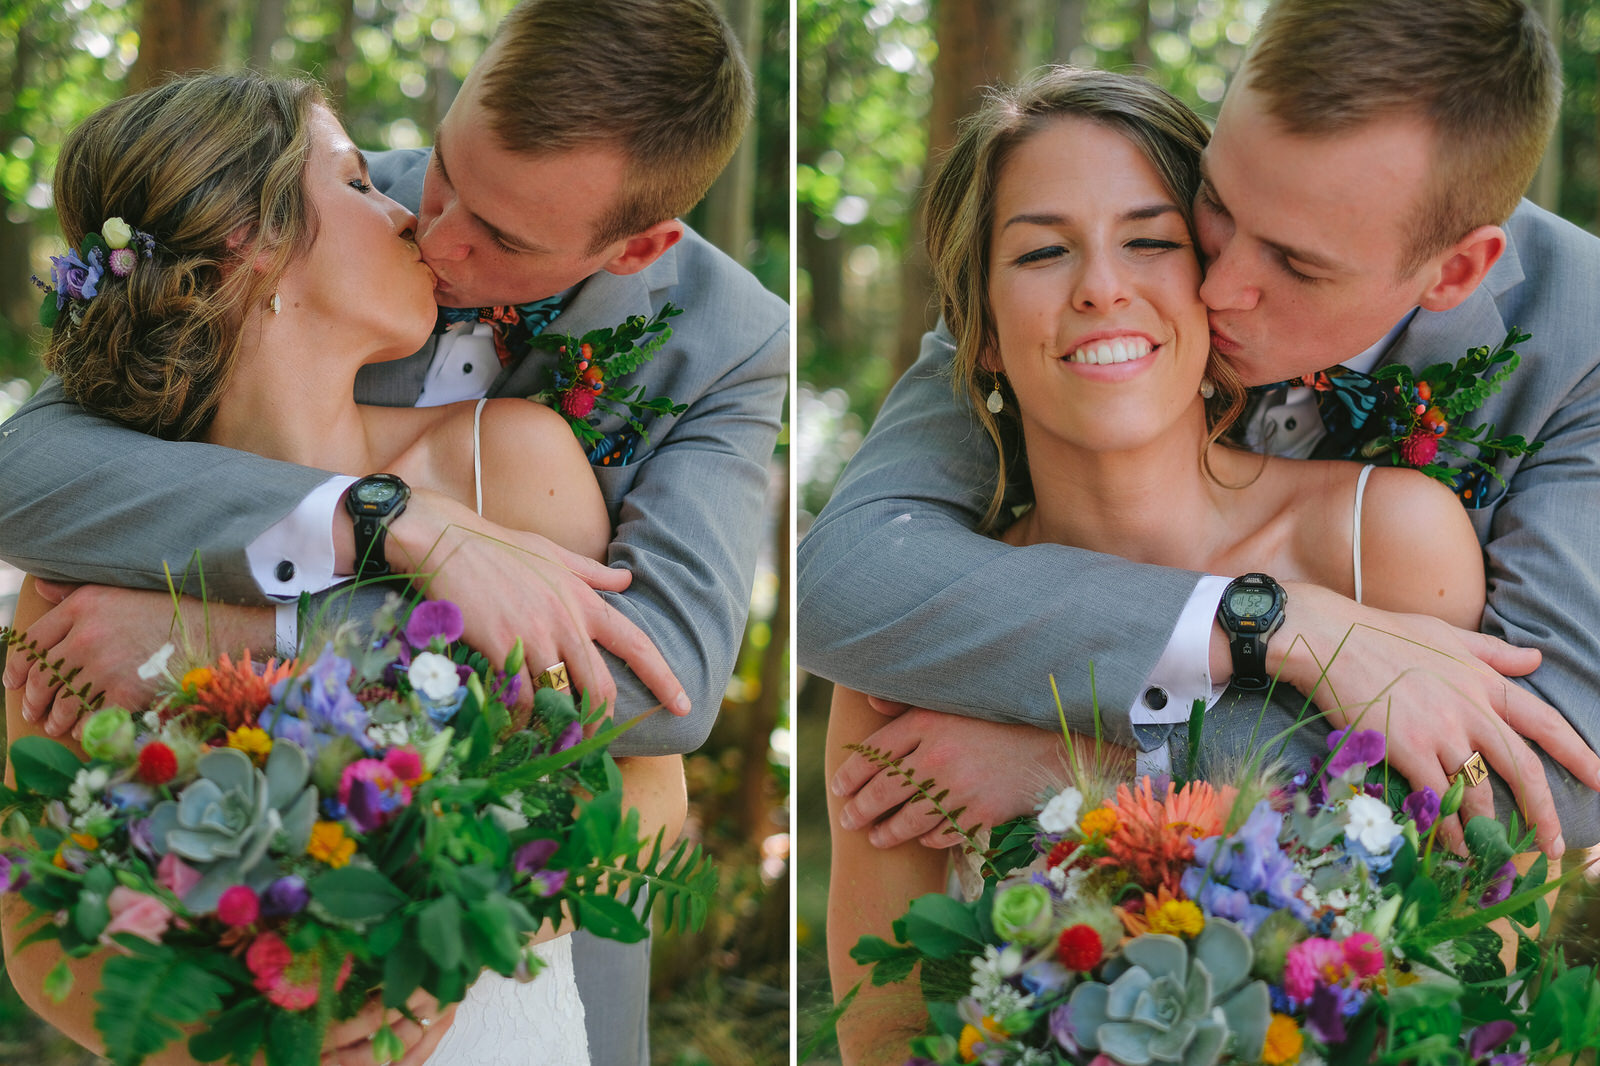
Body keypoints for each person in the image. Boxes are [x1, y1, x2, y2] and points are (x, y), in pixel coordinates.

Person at [0, 1, 789, 1062]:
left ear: (636, 244)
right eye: (436, 171)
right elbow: (44, 913)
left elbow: (653, 692)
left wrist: (241, 637)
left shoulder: (651, 382)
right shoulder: (120, 525)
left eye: (502, 236)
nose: (434, 226)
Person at [823, 64, 1536, 1064]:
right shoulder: (909, 651)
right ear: (977, 332)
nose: (1100, 286)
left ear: (1213, 284)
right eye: (1039, 251)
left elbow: (1478, 947)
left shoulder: (1381, 542)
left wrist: (1067, 781)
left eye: (1150, 240)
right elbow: (886, 1031)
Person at [801, 0, 1600, 869]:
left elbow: (1542, 779)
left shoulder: (1581, 345)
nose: (1216, 286)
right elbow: (849, 575)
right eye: (1211, 208)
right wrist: (1279, 624)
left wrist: (1092, 770)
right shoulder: (1112, 252)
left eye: (1295, 263)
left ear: (1454, 273)